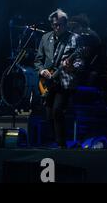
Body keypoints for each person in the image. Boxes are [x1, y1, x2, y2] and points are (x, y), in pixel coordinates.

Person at [34, 9, 83, 148]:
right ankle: (55, 141)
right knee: (49, 114)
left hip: (65, 81)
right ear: (51, 24)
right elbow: (38, 60)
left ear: (66, 24)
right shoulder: (45, 38)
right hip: (48, 82)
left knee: (57, 110)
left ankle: (62, 146)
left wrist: (72, 67)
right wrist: (42, 70)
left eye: (60, 24)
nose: (58, 27)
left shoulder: (74, 38)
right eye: (55, 24)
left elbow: (80, 61)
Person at [68, 13, 101, 86]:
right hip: (85, 68)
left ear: (79, 26)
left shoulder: (89, 36)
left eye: (73, 28)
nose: (71, 30)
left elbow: (85, 55)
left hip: (90, 70)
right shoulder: (84, 35)